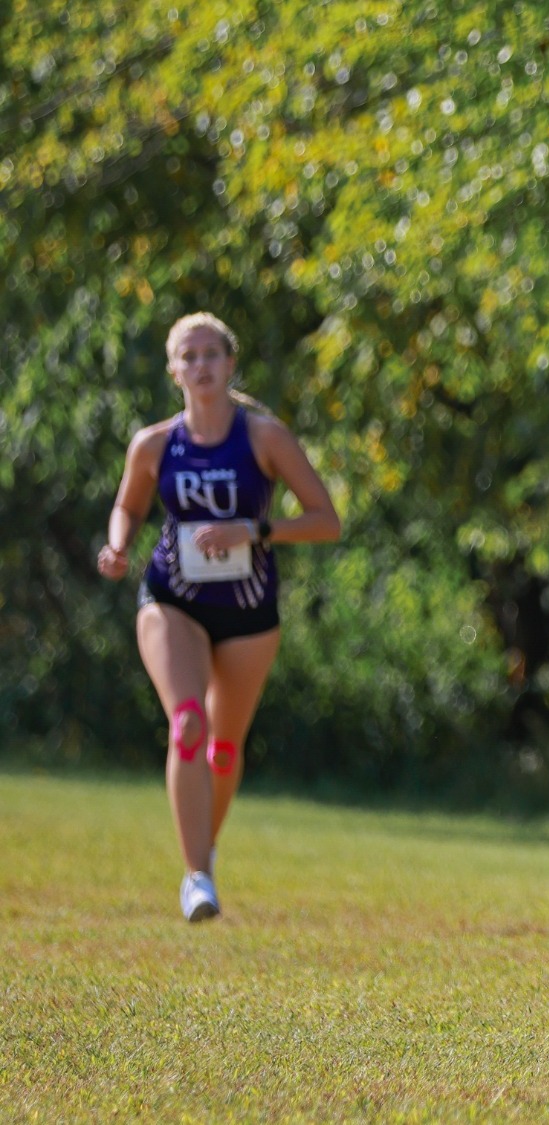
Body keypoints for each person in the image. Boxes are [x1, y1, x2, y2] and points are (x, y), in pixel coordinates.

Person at [95, 312, 341, 922]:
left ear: (230, 365)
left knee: (223, 749)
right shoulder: (154, 444)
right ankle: (196, 877)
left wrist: (254, 529)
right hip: (171, 599)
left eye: (212, 354)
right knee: (187, 725)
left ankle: (204, 854)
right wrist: (119, 544)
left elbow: (325, 520)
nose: (201, 365)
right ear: (174, 370)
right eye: (189, 355)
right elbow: (127, 505)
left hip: (249, 613)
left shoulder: (264, 438)